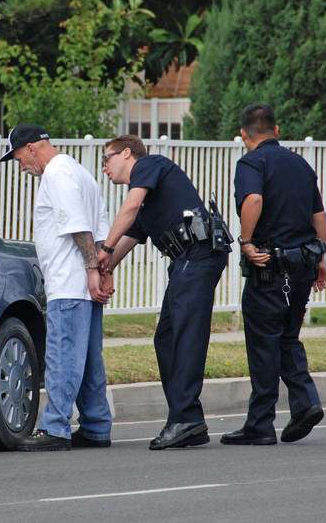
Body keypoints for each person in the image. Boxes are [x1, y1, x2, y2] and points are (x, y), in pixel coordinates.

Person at [96, 134, 229, 450]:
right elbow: (129, 237)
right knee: (167, 338)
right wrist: (103, 270)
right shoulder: (147, 202)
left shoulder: (150, 165)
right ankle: (187, 419)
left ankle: (185, 419)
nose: (104, 169)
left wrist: (105, 247)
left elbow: (130, 208)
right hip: (187, 260)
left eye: (106, 159)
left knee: (184, 335)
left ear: (127, 153)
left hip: (198, 254)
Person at [0, 123, 114, 451]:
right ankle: (96, 425)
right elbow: (101, 227)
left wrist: (92, 270)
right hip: (84, 284)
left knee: (63, 355)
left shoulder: (56, 174)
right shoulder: (80, 172)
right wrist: (104, 270)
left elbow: (78, 226)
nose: (21, 166)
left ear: (33, 147)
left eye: (19, 157)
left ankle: (55, 427)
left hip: (69, 282)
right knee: (90, 359)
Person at [221, 104, 326, 446]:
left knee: (263, 342)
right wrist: (321, 258)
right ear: (276, 130)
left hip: (270, 265)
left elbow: (252, 199)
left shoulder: (252, 162)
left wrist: (247, 241)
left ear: (243, 135)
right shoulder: (300, 163)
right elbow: (318, 214)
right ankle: (306, 402)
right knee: (287, 337)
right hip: (303, 265)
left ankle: (261, 424)